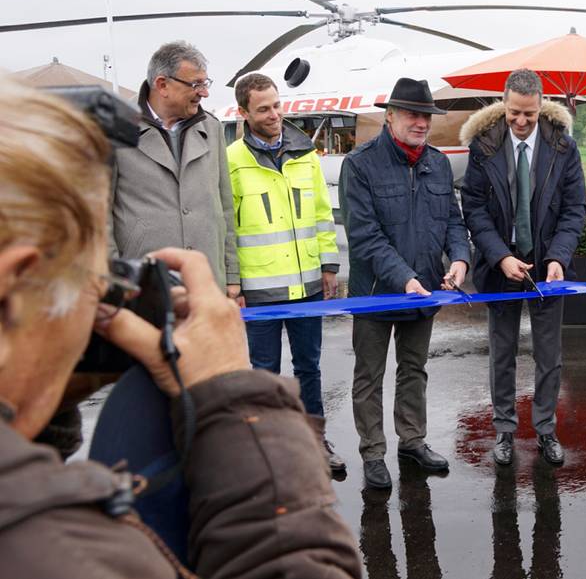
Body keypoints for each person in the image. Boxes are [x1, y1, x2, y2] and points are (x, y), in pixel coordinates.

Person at [0, 77, 360, 577]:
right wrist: (236, 403)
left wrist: (35, 404)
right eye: (91, 278)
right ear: (14, 287)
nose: (105, 298)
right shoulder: (74, 550)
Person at [339, 77, 470, 490]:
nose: (421, 123)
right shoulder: (359, 165)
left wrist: (461, 259)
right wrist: (405, 277)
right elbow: (364, 235)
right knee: (369, 376)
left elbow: (452, 220)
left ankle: (412, 441)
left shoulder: (438, 163)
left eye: (426, 116)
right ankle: (373, 452)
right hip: (377, 293)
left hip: (425, 291)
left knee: (414, 369)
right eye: (413, 114)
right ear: (390, 115)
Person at [460, 68, 586, 467]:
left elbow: (574, 209)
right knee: (503, 353)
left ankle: (546, 430)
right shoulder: (483, 147)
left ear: (540, 106)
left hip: (547, 268)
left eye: (528, 115)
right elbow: (474, 210)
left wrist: (558, 259)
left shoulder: (563, 147)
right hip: (502, 265)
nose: (520, 122)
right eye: (514, 112)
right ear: (504, 102)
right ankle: (504, 430)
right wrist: (500, 256)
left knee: (549, 355)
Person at [227, 72, 345, 477]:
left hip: (307, 286)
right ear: (244, 113)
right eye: (264, 109)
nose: (275, 114)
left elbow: (321, 214)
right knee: (264, 374)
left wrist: (329, 265)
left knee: (309, 368)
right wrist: (233, 283)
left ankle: (315, 439)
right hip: (259, 292)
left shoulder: (305, 155)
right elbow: (227, 227)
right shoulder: (231, 162)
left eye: (277, 105)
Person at [109, 40, 239, 296]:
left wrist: (232, 274)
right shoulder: (114, 129)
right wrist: (114, 280)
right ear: (162, 85)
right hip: (143, 289)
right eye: (196, 84)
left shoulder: (212, 128)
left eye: (205, 83)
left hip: (207, 286)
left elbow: (224, 208)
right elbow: (98, 219)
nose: (204, 93)